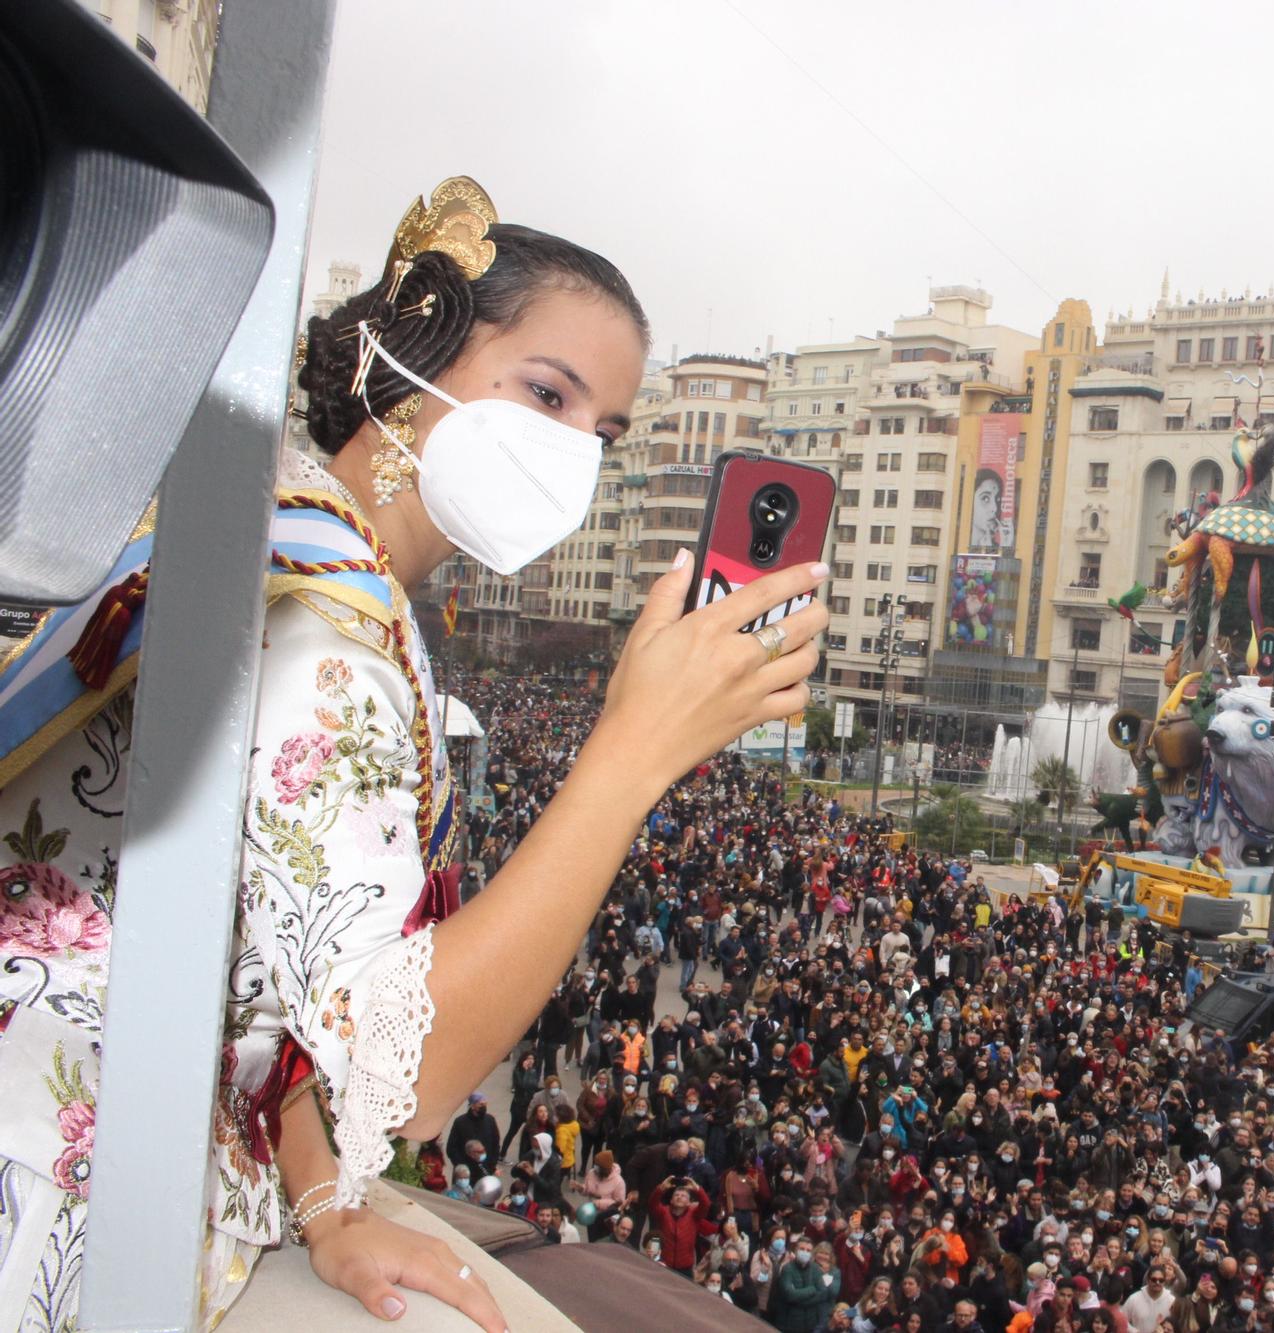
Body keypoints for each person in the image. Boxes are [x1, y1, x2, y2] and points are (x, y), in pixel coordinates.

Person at [0, 177, 824, 1330]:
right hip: (69, 1219)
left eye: (605, 432)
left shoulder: (292, 538)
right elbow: (400, 1072)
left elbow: (264, 985)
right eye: (545, 393)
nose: (573, 454)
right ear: (408, 356)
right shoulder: (321, 631)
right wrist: (632, 751)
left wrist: (329, 1206)